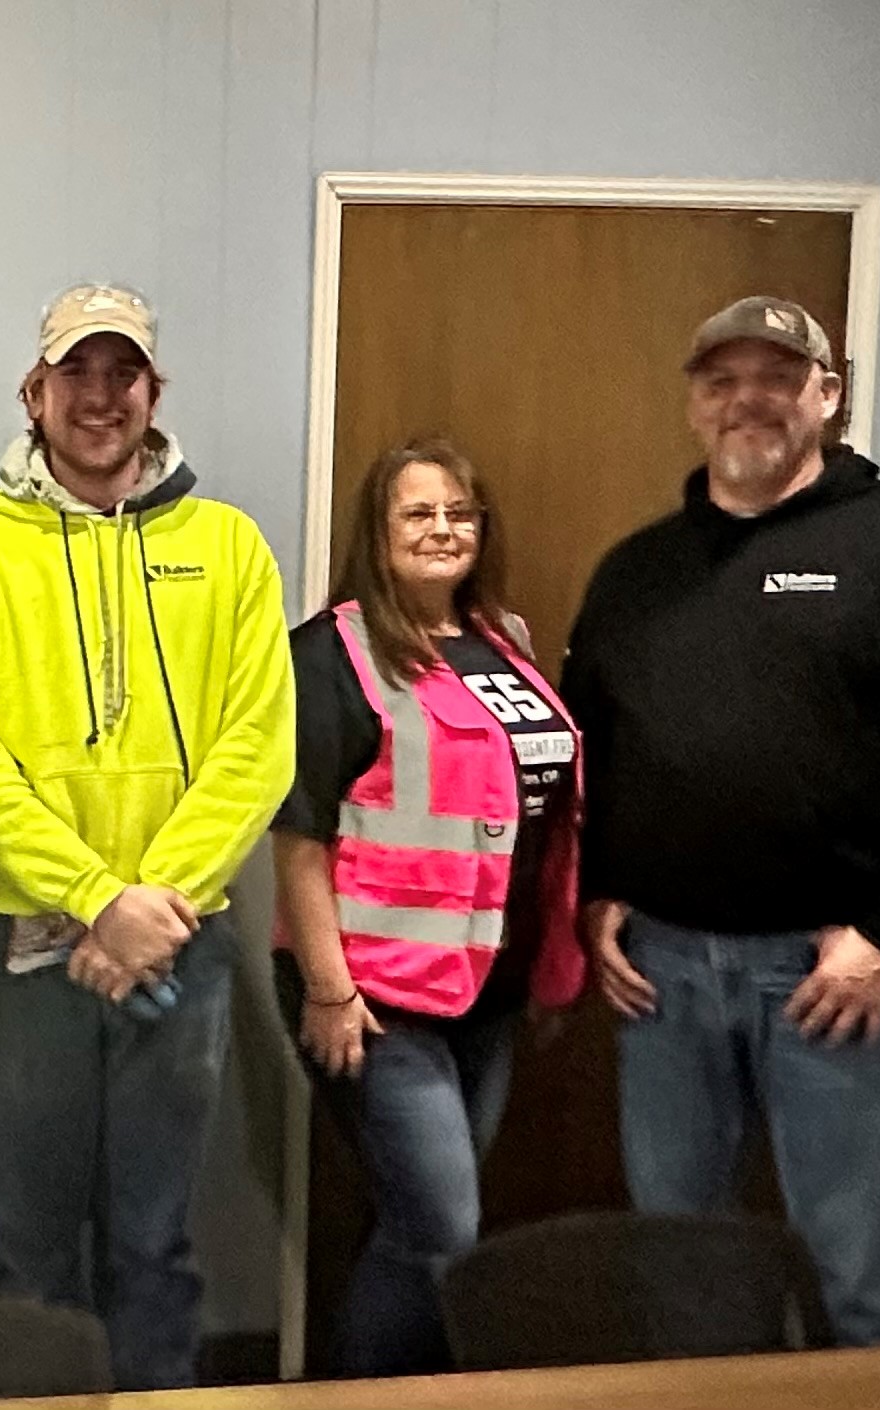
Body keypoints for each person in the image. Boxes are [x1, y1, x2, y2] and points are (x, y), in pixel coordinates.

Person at [566, 295, 880, 1345]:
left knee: (862, 1288)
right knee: (681, 1277)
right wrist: (598, 886)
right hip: (662, 984)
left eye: (778, 377)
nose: (749, 400)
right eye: (721, 380)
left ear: (826, 397)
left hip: (838, 983)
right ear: (692, 404)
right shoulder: (633, 572)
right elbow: (595, 746)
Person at [0, 282, 293, 1389]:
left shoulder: (225, 548)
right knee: (28, 1253)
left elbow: (255, 745)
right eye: (73, 372)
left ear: (152, 392)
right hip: (22, 951)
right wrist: (94, 898)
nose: (97, 395)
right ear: (31, 394)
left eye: (119, 372)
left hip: (178, 947)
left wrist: (150, 907)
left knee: (153, 1247)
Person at [268, 440, 586, 1375]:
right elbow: (297, 838)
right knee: (443, 1226)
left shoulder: (505, 644)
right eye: (418, 513)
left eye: (460, 513)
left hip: (485, 988)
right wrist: (327, 989)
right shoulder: (330, 650)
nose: (443, 530)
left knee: (425, 1224)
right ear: (378, 531)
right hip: (373, 996)